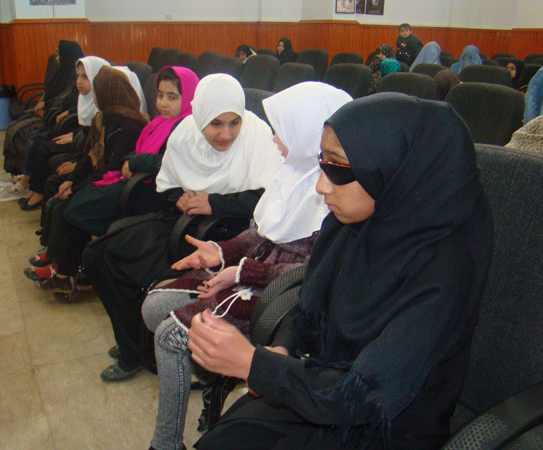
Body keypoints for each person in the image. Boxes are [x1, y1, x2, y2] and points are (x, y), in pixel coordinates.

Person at [190, 92, 494, 450]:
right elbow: (307, 306)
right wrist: (283, 349)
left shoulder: (446, 269)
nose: (321, 185)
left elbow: (370, 395)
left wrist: (254, 365)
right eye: (322, 162)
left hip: (383, 424)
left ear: (391, 168)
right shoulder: (351, 225)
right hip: (324, 388)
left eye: (338, 167)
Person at [141, 82, 353, 450]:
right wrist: (219, 251)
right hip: (251, 275)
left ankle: (166, 444)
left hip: (280, 299)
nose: (273, 138)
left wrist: (241, 272)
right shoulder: (292, 173)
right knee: (153, 306)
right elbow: (261, 233)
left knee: (169, 336)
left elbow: (311, 274)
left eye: (281, 130)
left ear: (306, 135)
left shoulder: (334, 192)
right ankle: (213, 374)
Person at [82, 74, 282, 382]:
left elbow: (270, 197)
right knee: (97, 255)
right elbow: (169, 182)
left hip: (224, 236)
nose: (226, 134)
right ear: (200, 115)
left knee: (120, 260)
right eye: (215, 123)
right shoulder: (186, 132)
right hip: (184, 223)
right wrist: (180, 197)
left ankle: (137, 351)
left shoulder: (257, 135)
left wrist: (214, 203)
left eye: (234, 123)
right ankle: (135, 344)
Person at [28, 66, 148, 294]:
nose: (94, 96)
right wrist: (72, 181)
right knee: (61, 200)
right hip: (102, 180)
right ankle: (57, 261)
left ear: (108, 92)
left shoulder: (131, 125)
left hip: (117, 187)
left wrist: (77, 188)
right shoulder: (103, 118)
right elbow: (88, 156)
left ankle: (64, 272)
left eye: (97, 90)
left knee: (69, 208)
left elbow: (112, 169)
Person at [62, 66, 199, 238]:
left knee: (85, 207)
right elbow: (140, 145)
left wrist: (135, 162)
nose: (163, 103)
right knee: (82, 200)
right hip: (138, 179)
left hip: (156, 191)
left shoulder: (188, 128)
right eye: (160, 95)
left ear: (189, 97)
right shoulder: (158, 122)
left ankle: (100, 243)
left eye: (172, 97)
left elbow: (168, 161)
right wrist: (129, 159)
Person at [18, 56, 111, 210]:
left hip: (86, 152)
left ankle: (39, 193)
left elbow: (97, 146)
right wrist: (74, 135)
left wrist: (77, 163)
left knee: (45, 150)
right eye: (78, 76)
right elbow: (84, 128)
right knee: (41, 144)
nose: (79, 82)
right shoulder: (84, 99)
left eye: (85, 77)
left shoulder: (103, 103)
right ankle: (35, 189)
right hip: (81, 144)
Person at [4, 40, 83, 177]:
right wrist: (44, 104)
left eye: (60, 55)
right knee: (14, 127)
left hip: (58, 119)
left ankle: (28, 176)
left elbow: (69, 103)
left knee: (27, 135)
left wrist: (48, 110)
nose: (57, 59)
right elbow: (52, 94)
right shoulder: (61, 73)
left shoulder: (76, 79)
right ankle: (21, 172)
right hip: (54, 115)